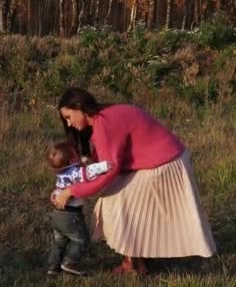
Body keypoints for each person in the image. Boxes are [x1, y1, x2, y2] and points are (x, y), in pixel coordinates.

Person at [53, 87, 217, 275]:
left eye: (68, 117)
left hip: (166, 163)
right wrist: (69, 185)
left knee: (114, 204)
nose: (69, 123)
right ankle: (139, 258)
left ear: (80, 107)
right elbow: (106, 164)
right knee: (118, 199)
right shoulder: (104, 118)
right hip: (165, 159)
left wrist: (72, 191)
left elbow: (108, 172)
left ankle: (133, 264)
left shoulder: (104, 123)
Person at [46, 141, 113, 276]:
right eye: (76, 155)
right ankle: (70, 262)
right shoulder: (75, 172)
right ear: (72, 160)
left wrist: (83, 160)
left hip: (57, 215)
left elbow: (79, 166)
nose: (79, 156)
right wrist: (105, 165)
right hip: (70, 216)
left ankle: (53, 265)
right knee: (81, 239)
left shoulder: (62, 173)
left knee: (60, 241)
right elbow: (88, 172)